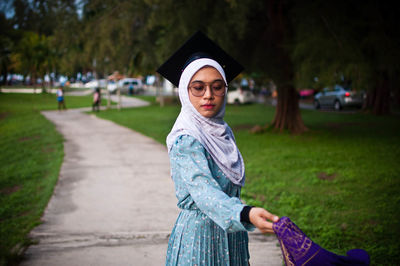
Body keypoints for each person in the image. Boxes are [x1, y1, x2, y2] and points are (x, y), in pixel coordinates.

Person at [157, 31, 279, 265]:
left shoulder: (221, 131)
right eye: (198, 87)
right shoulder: (187, 139)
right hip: (200, 242)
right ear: (185, 90)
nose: (209, 96)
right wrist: (245, 213)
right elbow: (204, 192)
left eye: (217, 87)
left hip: (232, 237)